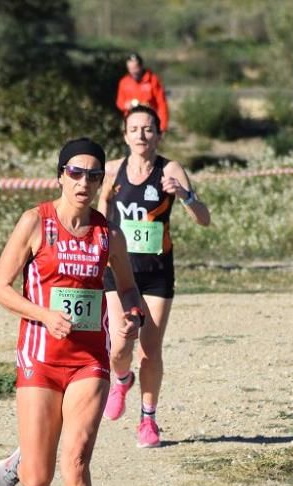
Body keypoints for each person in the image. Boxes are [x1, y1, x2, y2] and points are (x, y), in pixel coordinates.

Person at [0, 138, 143, 486]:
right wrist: (43, 314)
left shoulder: (107, 235)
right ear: (60, 175)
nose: (84, 182)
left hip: (88, 361)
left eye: (94, 176)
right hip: (39, 358)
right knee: (38, 479)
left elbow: (129, 290)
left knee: (75, 458)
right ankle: (21, 460)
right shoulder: (36, 222)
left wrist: (131, 317)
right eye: (76, 173)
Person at [97, 105, 210, 447]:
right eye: (134, 129)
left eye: (148, 129)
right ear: (125, 135)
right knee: (119, 346)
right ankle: (121, 378)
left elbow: (203, 218)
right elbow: (101, 213)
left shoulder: (170, 169)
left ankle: (148, 420)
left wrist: (184, 195)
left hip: (157, 272)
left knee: (150, 350)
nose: (141, 135)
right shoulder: (113, 170)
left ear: (158, 135)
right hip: (119, 270)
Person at [114, 53, 169, 134]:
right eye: (130, 68)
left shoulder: (153, 80)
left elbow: (162, 104)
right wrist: (126, 105)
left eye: (135, 68)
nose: (133, 71)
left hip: (149, 122)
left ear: (141, 66)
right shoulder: (124, 82)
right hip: (131, 123)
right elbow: (119, 102)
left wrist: (163, 125)